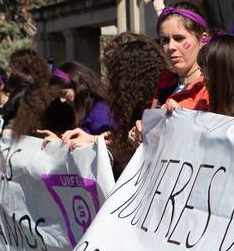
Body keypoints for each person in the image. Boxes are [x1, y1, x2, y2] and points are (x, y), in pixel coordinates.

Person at [68, 34, 165, 175]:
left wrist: (96, 145)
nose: (109, 80)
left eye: (113, 72)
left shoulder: (155, 106)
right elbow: (121, 145)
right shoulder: (131, 107)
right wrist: (95, 141)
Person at [154, 1, 212, 110]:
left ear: (202, 39)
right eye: (165, 40)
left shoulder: (214, 88)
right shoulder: (162, 85)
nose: (171, 46)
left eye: (179, 38)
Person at [53, 61, 115, 135]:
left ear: (77, 85)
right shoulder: (82, 109)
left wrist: (90, 139)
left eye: (64, 94)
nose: (62, 100)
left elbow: (109, 140)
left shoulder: (100, 109)